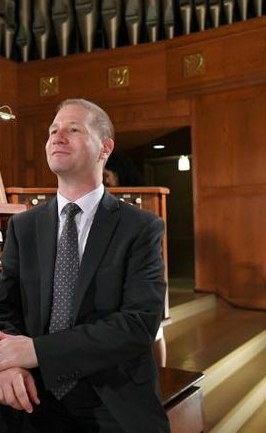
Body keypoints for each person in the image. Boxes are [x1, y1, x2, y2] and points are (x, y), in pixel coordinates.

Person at [0, 99, 170, 432]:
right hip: (33, 385)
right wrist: (9, 366)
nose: (57, 137)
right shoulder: (24, 226)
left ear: (104, 148)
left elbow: (138, 325)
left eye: (73, 129)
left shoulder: (140, 227)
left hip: (107, 392)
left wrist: (36, 351)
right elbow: (4, 312)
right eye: (53, 130)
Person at [103, 151, 167, 368]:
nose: (106, 182)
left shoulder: (138, 211)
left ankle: (160, 374)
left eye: (108, 176)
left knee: (154, 326)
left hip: (137, 270)